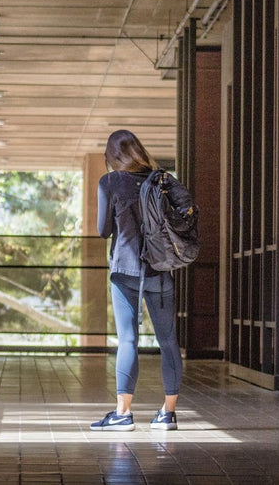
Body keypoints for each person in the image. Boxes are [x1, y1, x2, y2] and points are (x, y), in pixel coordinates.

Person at [90, 129, 182, 432]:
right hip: (160, 271)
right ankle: (168, 414)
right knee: (168, 341)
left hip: (125, 272)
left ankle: (123, 413)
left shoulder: (110, 182)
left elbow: (103, 230)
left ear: (112, 156)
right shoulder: (160, 180)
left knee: (128, 339)